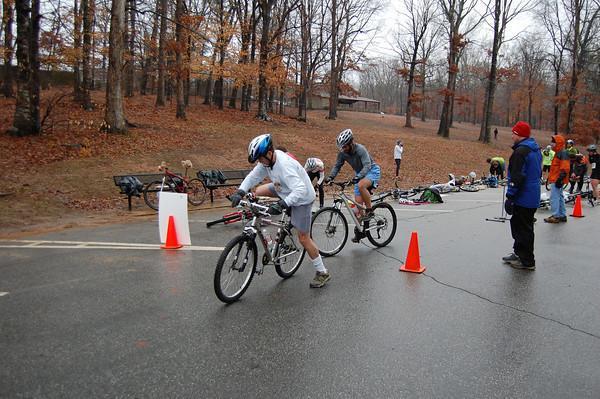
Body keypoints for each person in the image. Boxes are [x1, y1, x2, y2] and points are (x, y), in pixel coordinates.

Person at [230, 134, 331, 288]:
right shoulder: (267, 162)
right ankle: (270, 216)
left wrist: (282, 204)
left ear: (269, 153)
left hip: (302, 197)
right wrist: (240, 192)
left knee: (304, 238)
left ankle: (322, 272)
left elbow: (300, 190)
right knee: (259, 189)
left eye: (260, 158)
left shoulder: (284, 166)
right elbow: (253, 176)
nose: (259, 162)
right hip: (282, 187)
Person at [326, 128, 381, 243]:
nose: (343, 149)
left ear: (351, 143)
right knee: (357, 209)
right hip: (359, 175)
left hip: (372, 171)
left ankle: (370, 210)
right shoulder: (342, 153)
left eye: (345, 146)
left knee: (361, 185)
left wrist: (357, 177)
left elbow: (367, 165)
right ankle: (361, 231)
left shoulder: (360, 149)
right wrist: (331, 177)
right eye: (341, 147)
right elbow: (337, 166)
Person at [502, 121, 542, 270]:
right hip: (531, 193)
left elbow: (517, 177)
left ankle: (527, 260)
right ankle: (518, 253)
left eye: (514, 133)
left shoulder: (521, 152)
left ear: (519, 135)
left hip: (524, 196)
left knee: (523, 229)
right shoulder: (534, 148)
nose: (512, 135)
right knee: (519, 226)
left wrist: (510, 196)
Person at [544, 134, 571, 223]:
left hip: (557, 179)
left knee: (554, 197)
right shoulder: (559, 153)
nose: (551, 144)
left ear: (558, 143)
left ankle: (556, 216)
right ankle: (562, 215)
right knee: (559, 197)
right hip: (557, 178)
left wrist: (560, 179)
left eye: (553, 142)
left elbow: (565, 167)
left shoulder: (562, 153)